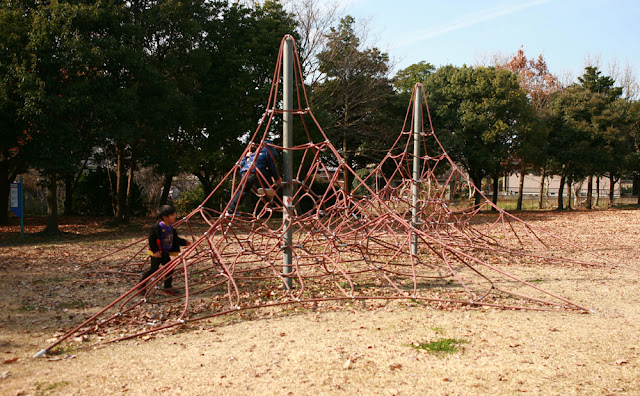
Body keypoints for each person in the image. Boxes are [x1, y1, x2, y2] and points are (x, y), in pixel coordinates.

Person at [139, 205, 190, 295]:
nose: (174, 217)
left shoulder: (171, 228)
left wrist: (184, 242)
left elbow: (175, 239)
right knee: (153, 269)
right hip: (157, 253)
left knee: (170, 268)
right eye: (172, 215)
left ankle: (167, 287)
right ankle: (141, 284)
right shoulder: (157, 227)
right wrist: (155, 251)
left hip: (165, 252)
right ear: (165, 217)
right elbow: (152, 239)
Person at [227, 141, 281, 216]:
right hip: (255, 171)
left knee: (243, 191)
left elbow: (242, 164)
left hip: (244, 173)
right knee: (267, 171)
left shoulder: (253, 155)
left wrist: (246, 156)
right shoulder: (267, 154)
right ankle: (267, 187)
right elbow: (273, 168)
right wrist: (277, 178)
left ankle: (231, 209)